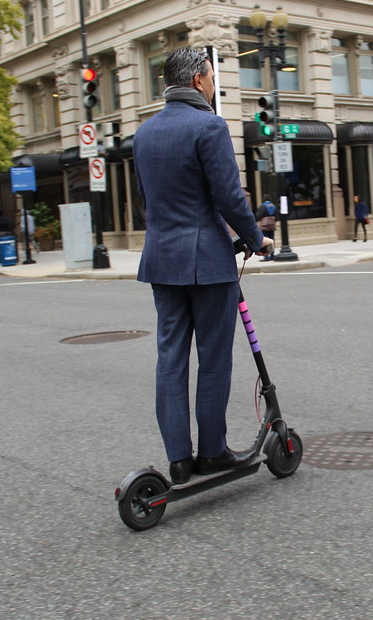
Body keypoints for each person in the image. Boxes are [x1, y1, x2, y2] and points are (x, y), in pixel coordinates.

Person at [133, 47, 273, 485]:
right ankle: (211, 452)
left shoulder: (145, 133)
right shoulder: (209, 126)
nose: (214, 85)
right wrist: (255, 239)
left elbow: (153, 202)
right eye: (212, 77)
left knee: (170, 359)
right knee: (213, 359)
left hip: (162, 260)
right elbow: (228, 197)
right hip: (209, 265)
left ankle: (179, 459)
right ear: (197, 80)